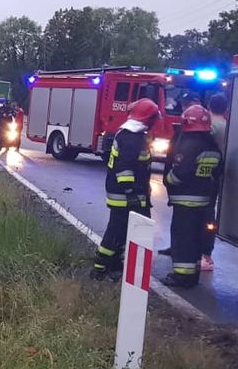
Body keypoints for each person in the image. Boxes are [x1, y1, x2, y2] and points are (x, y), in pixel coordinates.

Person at [92, 98, 159, 280]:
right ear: (147, 118)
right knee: (117, 230)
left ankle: (113, 263)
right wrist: (131, 193)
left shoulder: (129, 134)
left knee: (120, 230)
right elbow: (125, 168)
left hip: (126, 193)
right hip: (126, 195)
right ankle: (100, 267)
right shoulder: (132, 138)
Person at [162, 105, 224, 288]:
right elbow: (217, 171)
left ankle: (181, 277)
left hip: (185, 202)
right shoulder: (212, 146)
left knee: (183, 239)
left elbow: (179, 173)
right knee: (196, 239)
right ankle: (193, 275)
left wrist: (168, 180)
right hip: (204, 202)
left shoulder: (189, 146)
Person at [200, 93, 229, 272]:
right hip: (219, 175)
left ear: (209, 106)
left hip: (205, 176)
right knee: (209, 214)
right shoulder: (227, 126)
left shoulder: (209, 127)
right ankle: (207, 255)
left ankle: (201, 254)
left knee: (200, 214)